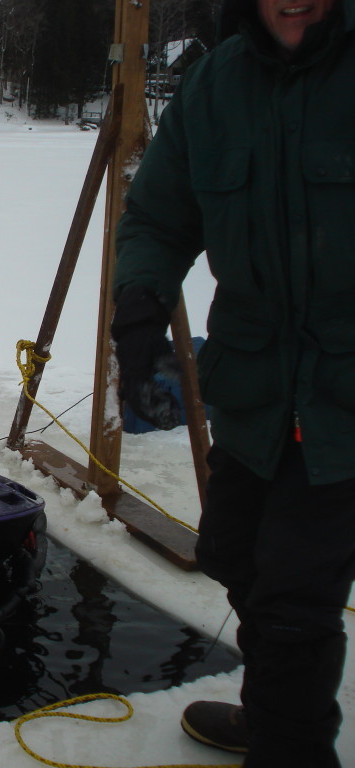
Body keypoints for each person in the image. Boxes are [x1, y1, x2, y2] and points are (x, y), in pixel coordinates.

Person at [111, 0, 354, 765]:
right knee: (233, 552)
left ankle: (291, 743)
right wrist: (139, 313)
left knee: (293, 598)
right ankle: (283, 704)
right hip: (254, 389)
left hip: (345, 397)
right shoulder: (215, 86)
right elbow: (157, 217)